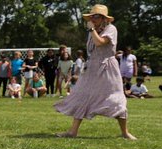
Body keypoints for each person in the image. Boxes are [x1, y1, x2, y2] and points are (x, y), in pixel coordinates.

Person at [53, 4, 135, 140]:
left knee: (116, 98)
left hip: (108, 68)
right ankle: (73, 131)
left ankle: (125, 133)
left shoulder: (111, 29)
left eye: (95, 16)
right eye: (91, 16)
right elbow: (91, 50)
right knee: (82, 96)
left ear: (104, 18)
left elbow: (100, 42)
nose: (92, 19)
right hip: (92, 67)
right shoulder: (92, 31)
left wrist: (91, 30)